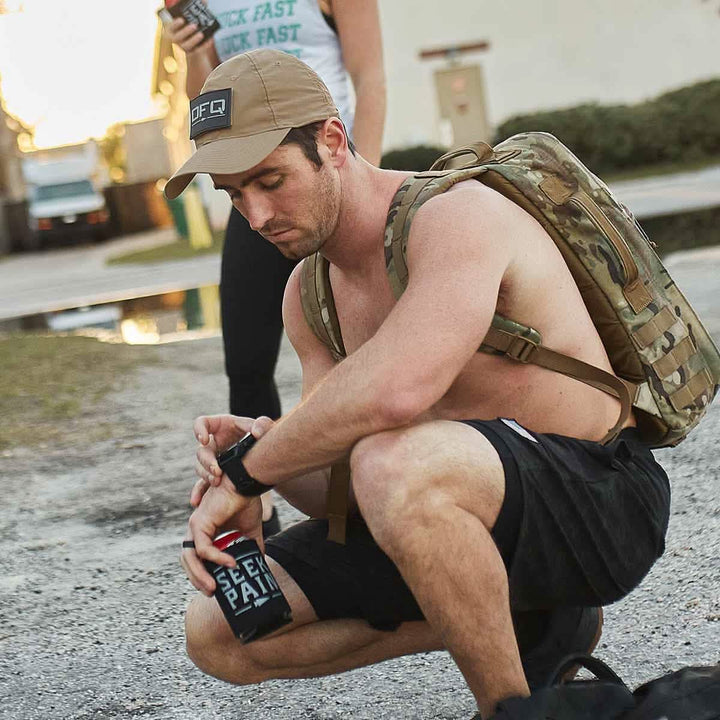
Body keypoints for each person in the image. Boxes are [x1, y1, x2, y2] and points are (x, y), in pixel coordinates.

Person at [170, 50, 671, 719]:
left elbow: (397, 393)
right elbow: (338, 493)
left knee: (392, 463)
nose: (256, 216)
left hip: (599, 506)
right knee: (218, 625)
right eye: (234, 195)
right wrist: (270, 449)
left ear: (332, 140)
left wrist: (248, 471)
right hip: (450, 512)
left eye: (270, 180)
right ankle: (529, 624)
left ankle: (510, 710)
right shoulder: (308, 295)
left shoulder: (457, 216)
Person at [165, 0, 386, 537]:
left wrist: (366, 176)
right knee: (245, 360)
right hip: (253, 169)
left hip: (320, 165)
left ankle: (382, 489)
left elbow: (370, 74)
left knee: (367, 344)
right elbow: (207, 104)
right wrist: (193, 55)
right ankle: (258, 507)